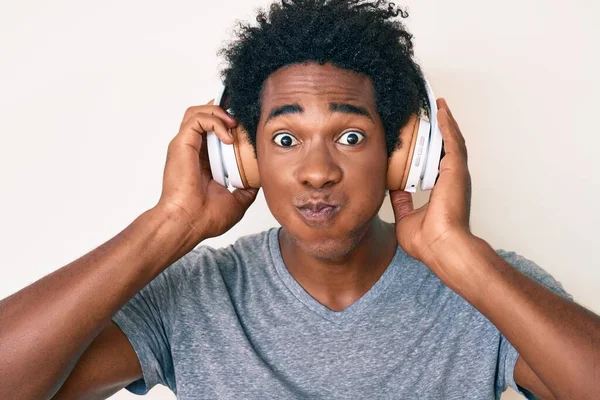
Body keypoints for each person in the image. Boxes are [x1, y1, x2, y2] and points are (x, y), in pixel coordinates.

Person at [0, 1, 598, 399]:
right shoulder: (194, 295)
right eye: (285, 139)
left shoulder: (487, 288)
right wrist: (170, 225)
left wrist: (455, 253)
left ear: (401, 155)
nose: (317, 172)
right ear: (245, 158)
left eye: (350, 136)